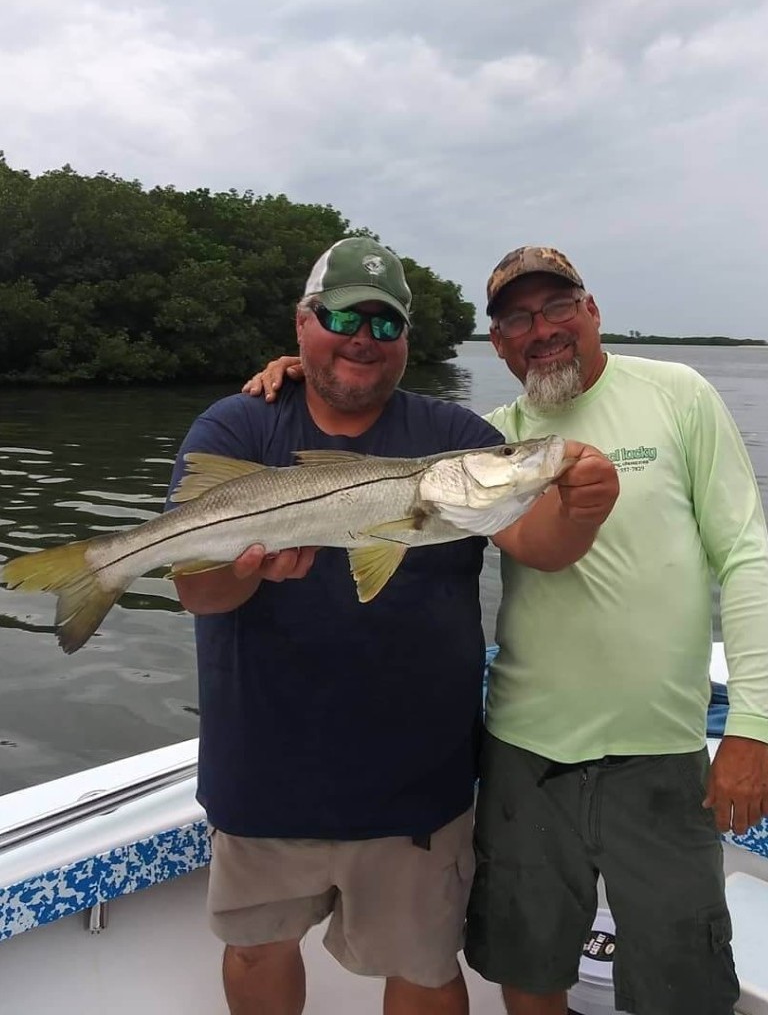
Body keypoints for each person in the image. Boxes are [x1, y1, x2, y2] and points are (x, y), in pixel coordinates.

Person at [244, 245, 768, 1015]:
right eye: (517, 317)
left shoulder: (678, 393)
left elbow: (747, 553)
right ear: (496, 343)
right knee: (529, 968)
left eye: (559, 306)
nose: (542, 329)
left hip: (662, 748)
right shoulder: (488, 438)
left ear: (592, 311)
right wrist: (301, 372)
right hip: (524, 752)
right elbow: (382, 451)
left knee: (683, 987)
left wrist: (753, 723)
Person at [169, 236, 619, 1015]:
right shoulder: (239, 427)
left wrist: (579, 509)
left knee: (423, 964)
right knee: (256, 949)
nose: (362, 339)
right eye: (343, 316)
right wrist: (240, 575)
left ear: (407, 341)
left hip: (417, 785)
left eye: (385, 325)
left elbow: (539, 546)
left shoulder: (456, 438)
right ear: (303, 324)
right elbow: (198, 593)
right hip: (263, 770)